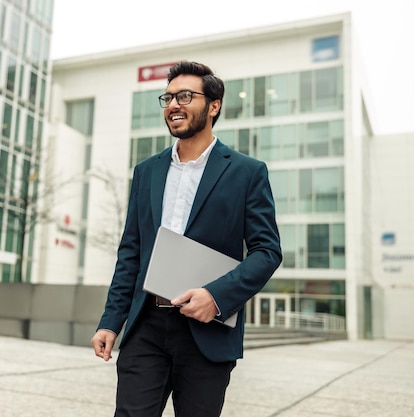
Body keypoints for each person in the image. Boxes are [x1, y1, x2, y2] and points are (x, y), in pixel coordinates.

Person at [91, 61, 282, 417]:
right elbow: (131, 252)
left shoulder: (247, 173)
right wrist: (110, 320)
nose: (173, 105)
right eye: (168, 98)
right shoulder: (146, 172)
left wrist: (217, 296)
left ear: (214, 105)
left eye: (185, 96)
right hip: (146, 323)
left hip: (206, 330)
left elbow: (267, 251)